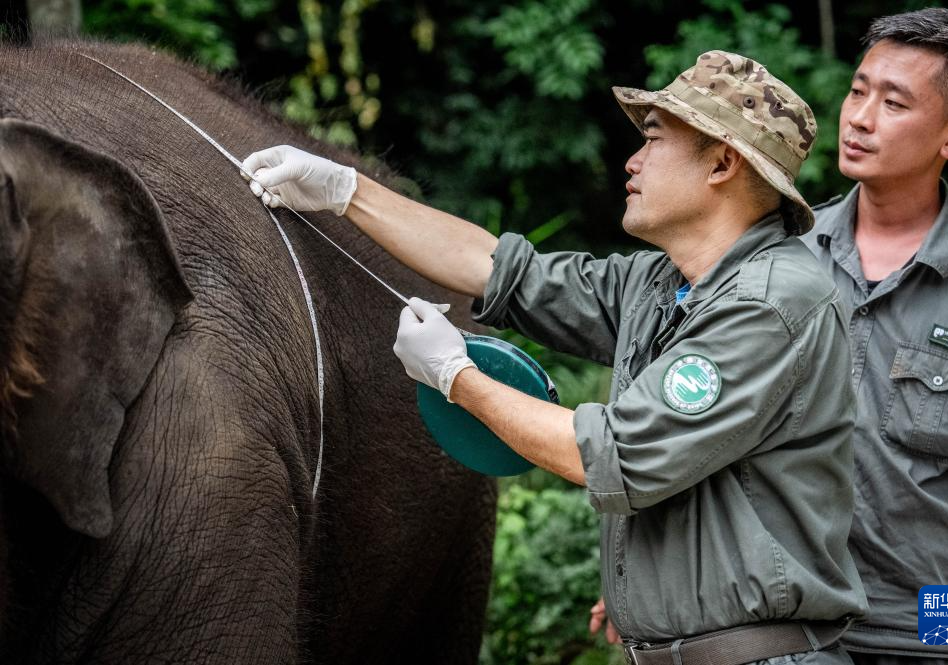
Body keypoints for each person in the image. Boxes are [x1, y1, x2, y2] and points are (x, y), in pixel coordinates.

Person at [243, 51, 868, 664]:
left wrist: (456, 377)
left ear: (723, 162)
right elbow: (495, 269)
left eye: (654, 138)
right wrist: (346, 192)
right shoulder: (663, 282)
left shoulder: (769, 302)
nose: (633, 159)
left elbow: (614, 454)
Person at [800, 8, 948, 665]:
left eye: (894, 102)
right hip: (793, 623)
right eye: (858, 90)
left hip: (935, 626)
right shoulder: (785, 258)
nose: (858, 117)